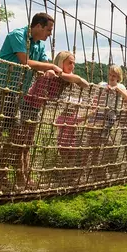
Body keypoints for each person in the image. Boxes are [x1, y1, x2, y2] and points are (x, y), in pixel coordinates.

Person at [0, 13, 62, 190]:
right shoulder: (17, 36)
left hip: (16, 95)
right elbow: (25, 61)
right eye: (48, 30)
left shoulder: (39, 45)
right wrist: (50, 67)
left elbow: (42, 63)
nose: (49, 34)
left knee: (15, 137)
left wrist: (48, 69)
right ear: (38, 26)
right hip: (0, 90)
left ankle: (3, 177)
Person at [15, 51, 89, 187]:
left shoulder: (64, 77)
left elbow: (85, 84)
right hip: (26, 106)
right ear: (61, 63)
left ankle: (25, 177)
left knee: (28, 144)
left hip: (35, 109)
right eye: (69, 63)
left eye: (73, 63)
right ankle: (21, 177)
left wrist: (71, 77)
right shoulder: (51, 73)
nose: (72, 66)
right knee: (22, 144)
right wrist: (54, 71)